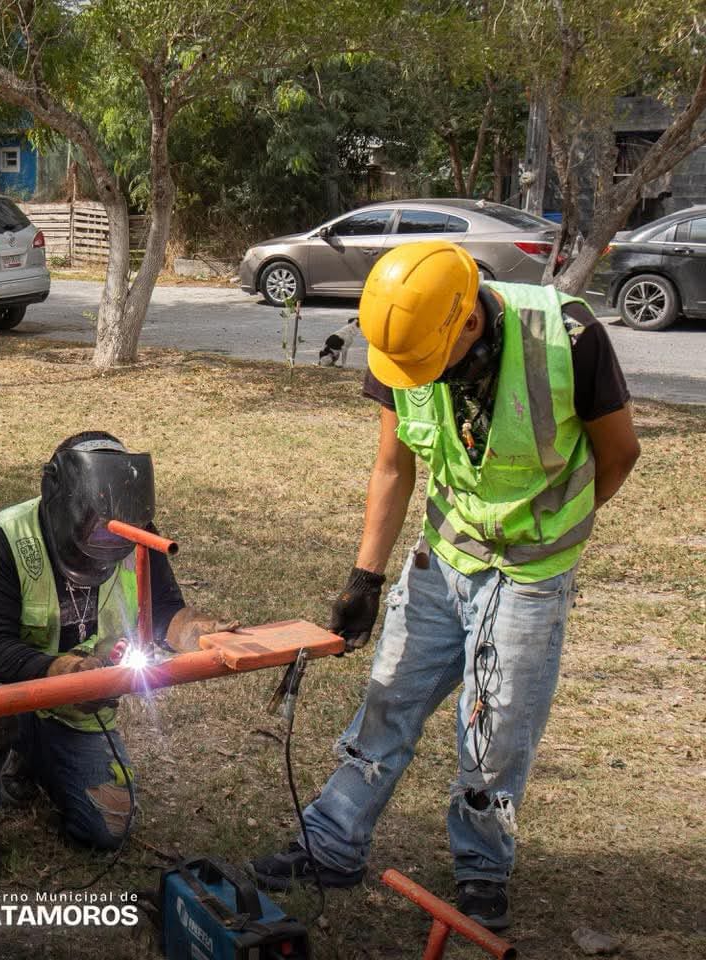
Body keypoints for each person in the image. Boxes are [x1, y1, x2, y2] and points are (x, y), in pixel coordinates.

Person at [251, 241, 640, 930]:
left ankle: (482, 868)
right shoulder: (405, 341)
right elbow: (393, 466)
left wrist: (549, 531)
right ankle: (333, 843)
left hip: (530, 574)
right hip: (445, 556)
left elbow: (619, 453)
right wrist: (363, 577)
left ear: (468, 322)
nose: (412, 377)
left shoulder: (571, 336)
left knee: (495, 729)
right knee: (388, 698)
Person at [0, 431, 238, 882]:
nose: (106, 544)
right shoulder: (0, 539)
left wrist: (197, 632)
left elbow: (162, 612)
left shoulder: (136, 536)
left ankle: (32, 757)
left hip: (79, 698)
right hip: (0, 682)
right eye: (95, 530)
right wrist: (67, 672)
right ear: (58, 496)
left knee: (108, 829)